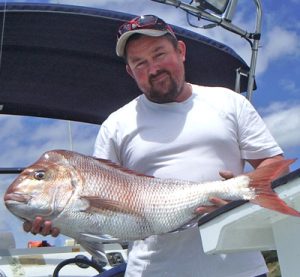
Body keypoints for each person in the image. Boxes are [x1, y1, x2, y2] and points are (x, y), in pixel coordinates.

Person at [24, 15, 286, 277]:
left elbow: (275, 168)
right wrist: (62, 220)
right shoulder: (116, 125)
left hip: (239, 269)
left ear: (180, 51)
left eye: (159, 54)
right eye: (140, 63)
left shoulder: (230, 103)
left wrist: (236, 200)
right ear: (129, 71)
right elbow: (99, 212)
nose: (153, 69)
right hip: (153, 270)